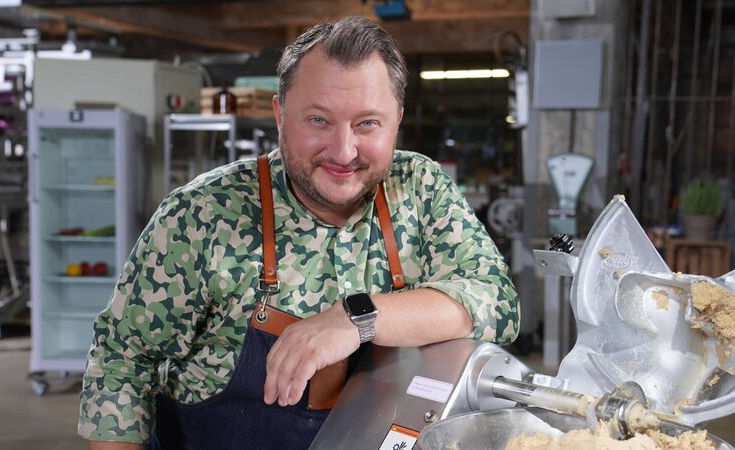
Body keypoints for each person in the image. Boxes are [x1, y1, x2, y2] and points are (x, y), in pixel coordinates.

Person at [79, 16, 520, 450]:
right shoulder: (202, 216)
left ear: (397, 120)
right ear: (280, 113)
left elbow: (496, 301)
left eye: (368, 123)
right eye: (318, 121)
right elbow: (122, 362)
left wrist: (358, 319)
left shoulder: (419, 187)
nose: (344, 152)